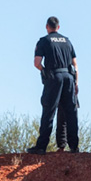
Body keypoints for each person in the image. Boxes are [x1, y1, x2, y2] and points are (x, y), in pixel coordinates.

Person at [27, 16, 78, 155]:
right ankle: (74, 146)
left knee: (49, 110)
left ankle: (41, 146)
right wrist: (76, 83)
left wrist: (44, 71)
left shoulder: (43, 41)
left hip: (54, 77)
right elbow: (75, 65)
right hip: (69, 77)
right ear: (58, 27)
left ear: (47, 27)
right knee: (71, 112)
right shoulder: (67, 41)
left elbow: (37, 63)